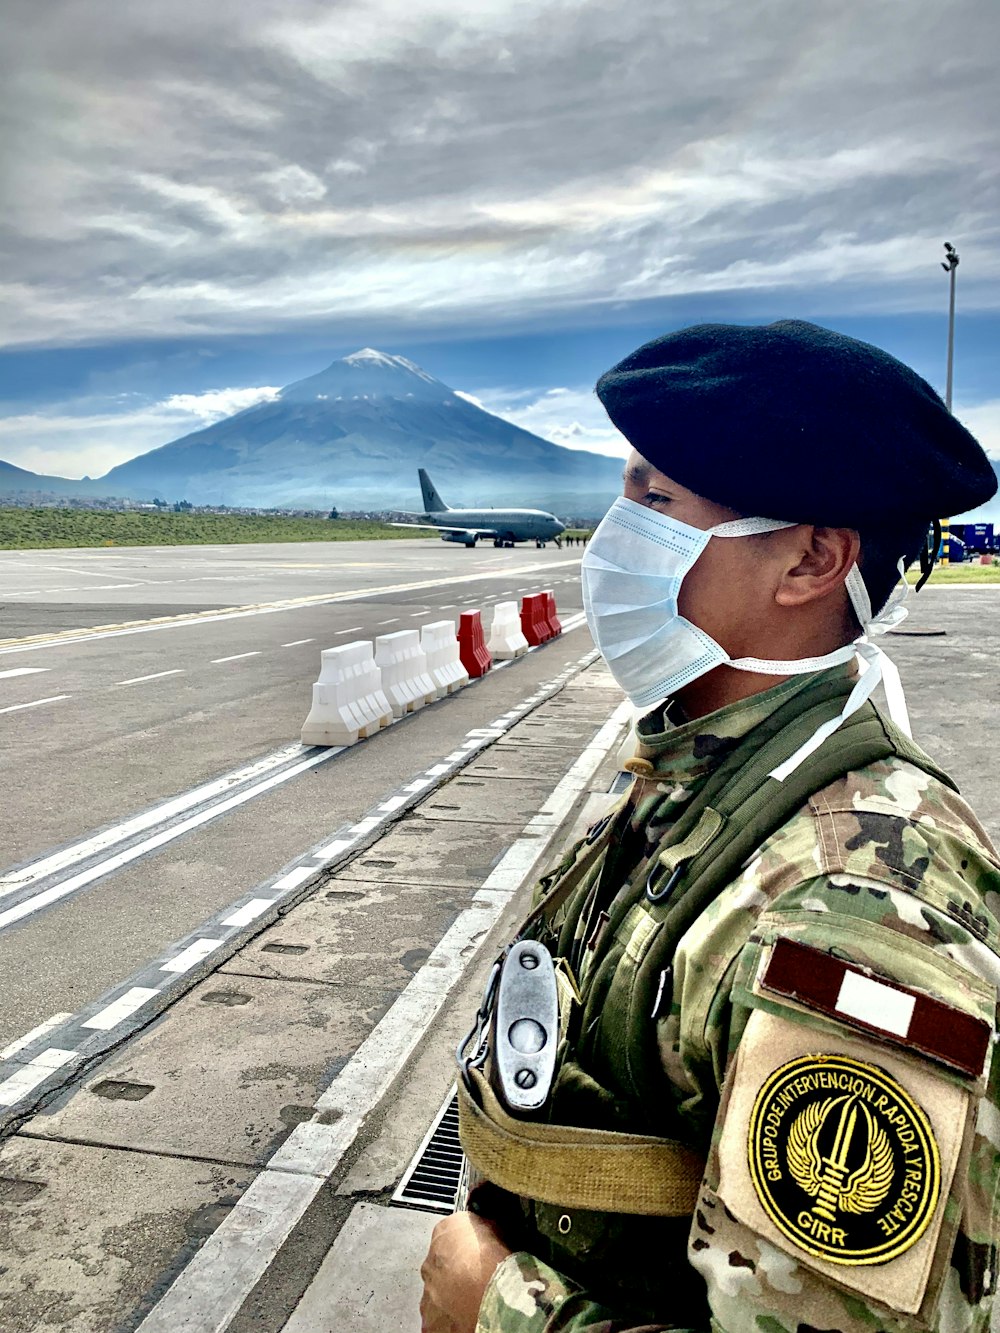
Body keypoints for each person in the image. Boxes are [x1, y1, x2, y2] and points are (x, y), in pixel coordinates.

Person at [420, 320, 1000, 1333]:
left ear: (810, 560)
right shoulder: (707, 763)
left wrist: (501, 1311)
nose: (613, 533)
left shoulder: (851, 921)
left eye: (655, 499)